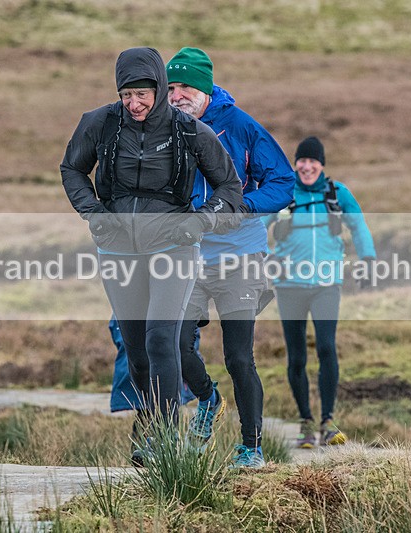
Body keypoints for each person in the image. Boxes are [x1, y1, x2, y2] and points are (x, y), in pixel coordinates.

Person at [59, 47, 244, 464]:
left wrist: (199, 223)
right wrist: (94, 213)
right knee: (137, 350)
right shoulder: (100, 124)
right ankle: (148, 425)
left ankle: (164, 444)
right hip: (119, 250)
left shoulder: (191, 131)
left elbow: (230, 189)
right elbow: (71, 169)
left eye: (143, 94)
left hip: (174, 248)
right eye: (127, 95)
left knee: (163, 338)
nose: (134, 104)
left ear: (159, 89)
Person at [166, 47, 296, 468]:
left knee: (239, 357)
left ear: (204, 88)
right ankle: (208, 398)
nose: (176, 94)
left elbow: (283, 180)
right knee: (171, 343)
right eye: (170, 86)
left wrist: (243, 209)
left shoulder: (239, 125)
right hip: (187, 257)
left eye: (185, 86)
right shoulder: (164, 128)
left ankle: (251, 449)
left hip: (240, 255)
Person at [267, 136, 376, 448]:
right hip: (289, 287)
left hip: (326, 285)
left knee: (327, 347)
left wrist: (368, 259)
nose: (307, 166)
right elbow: (258, 224)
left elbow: (358, 225)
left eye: (313, 161)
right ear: (295, 164)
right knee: (297, 355)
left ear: (322, 165)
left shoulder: (337, 193)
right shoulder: (284, 193)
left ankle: (328, 421)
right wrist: (264, 257)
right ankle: (305, 422)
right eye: (302, 161)